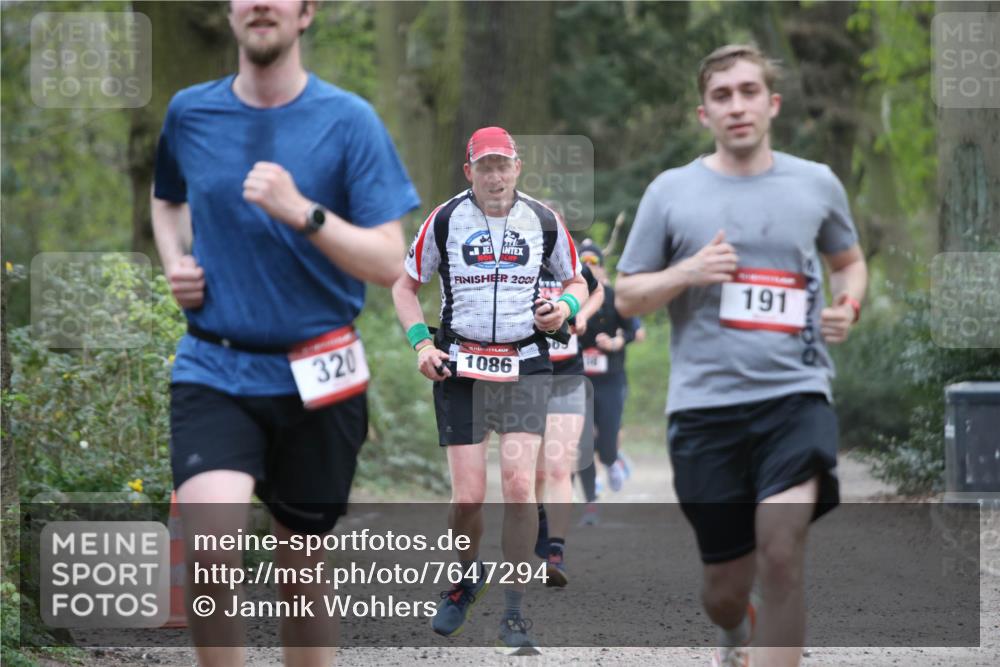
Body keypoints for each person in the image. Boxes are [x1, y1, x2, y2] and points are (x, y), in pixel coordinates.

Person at [152, 1, 420, 664]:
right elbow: (167, 199)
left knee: (301, 571)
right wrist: (177, 262)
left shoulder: (349, 121)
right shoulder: (190, 111)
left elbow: (392, 260)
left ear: (306, 14)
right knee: (211, 548)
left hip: (320, 371)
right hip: (215, 364)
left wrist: (302, 211)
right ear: (231, 11)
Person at [615, 44, 867, 667]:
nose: (737, 106)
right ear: (704, 113)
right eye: (722, 96)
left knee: (781, 555)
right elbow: (624, 297)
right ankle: (734, 630)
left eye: (749, 92)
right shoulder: (671, 192)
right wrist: (690, 271)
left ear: (772, 104)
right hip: (705, 409)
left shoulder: (815, 183)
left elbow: (849, 261)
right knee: (724, 591)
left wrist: (848, 305)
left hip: (796, 396)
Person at [392, 126, 588, 655]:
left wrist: (564, 309)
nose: (495, 176)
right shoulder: (445, 219)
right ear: (469, 171)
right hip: (460, 365)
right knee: (470, 496)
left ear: (518, 168)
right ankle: (465, 577)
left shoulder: (543, 221)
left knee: (521, 487)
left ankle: (515, 607)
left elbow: (578, 281)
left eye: (504, 166)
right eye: (486, 167)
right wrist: (420, 346)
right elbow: (405, 286)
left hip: (525, 362)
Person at [533, 240, 604, 586]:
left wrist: (582, 316)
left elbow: (598, 289)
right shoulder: (515, 261)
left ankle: (555, 551)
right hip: (525, 375)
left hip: (567, 375)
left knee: (560, 465)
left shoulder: (570, 264)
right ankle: (537, 525)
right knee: (535, 473)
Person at [573, 241, 640, 526]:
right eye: (583, 262)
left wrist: (615, 342)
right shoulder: (570, 298)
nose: (588, 266)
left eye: (593, 262)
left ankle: (613, 460)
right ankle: (590, 505)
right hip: (578, 380)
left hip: (610, 379)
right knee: (583, 442)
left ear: (601, 267)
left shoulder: (614, 297)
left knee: (607, 442)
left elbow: (635, 330)